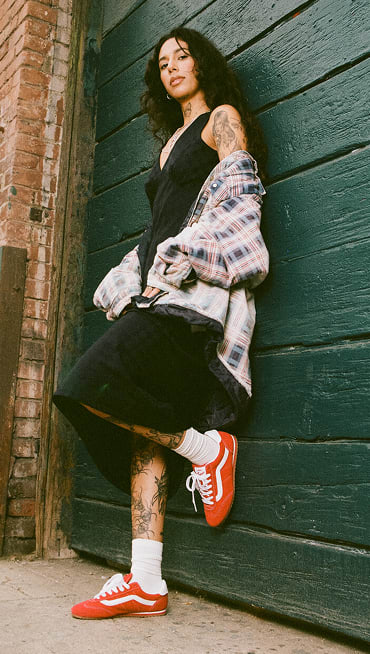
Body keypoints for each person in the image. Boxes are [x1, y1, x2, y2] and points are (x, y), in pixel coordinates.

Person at [53, 26, 269, 620]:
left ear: (203, 62)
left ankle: (206, 451)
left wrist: (193, 252)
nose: (172, 66)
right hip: (155, 290)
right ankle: (146, 579)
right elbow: (158, 224)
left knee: (84, 383)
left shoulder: (218, 118)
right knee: (144, 425)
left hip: (190, 294)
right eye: (163, 61)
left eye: (183, 55)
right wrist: (131, 272)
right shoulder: (170, 140)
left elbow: (240, 192)